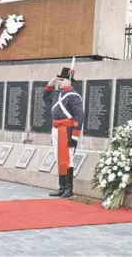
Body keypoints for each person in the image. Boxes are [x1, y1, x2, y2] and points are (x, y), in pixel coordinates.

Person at [43, 66, 84, 198]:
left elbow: (79, 116)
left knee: (68, 158)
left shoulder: (74, 97)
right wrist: (49, 85)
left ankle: (68, 188)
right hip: (56, 128)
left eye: (62, 79)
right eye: (59, 79)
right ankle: (61, 187)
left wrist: (75, 135)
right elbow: (45, 98)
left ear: (69, 81)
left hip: (67, 130)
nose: (59, 82)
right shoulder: (58, 94)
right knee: (58, 157)